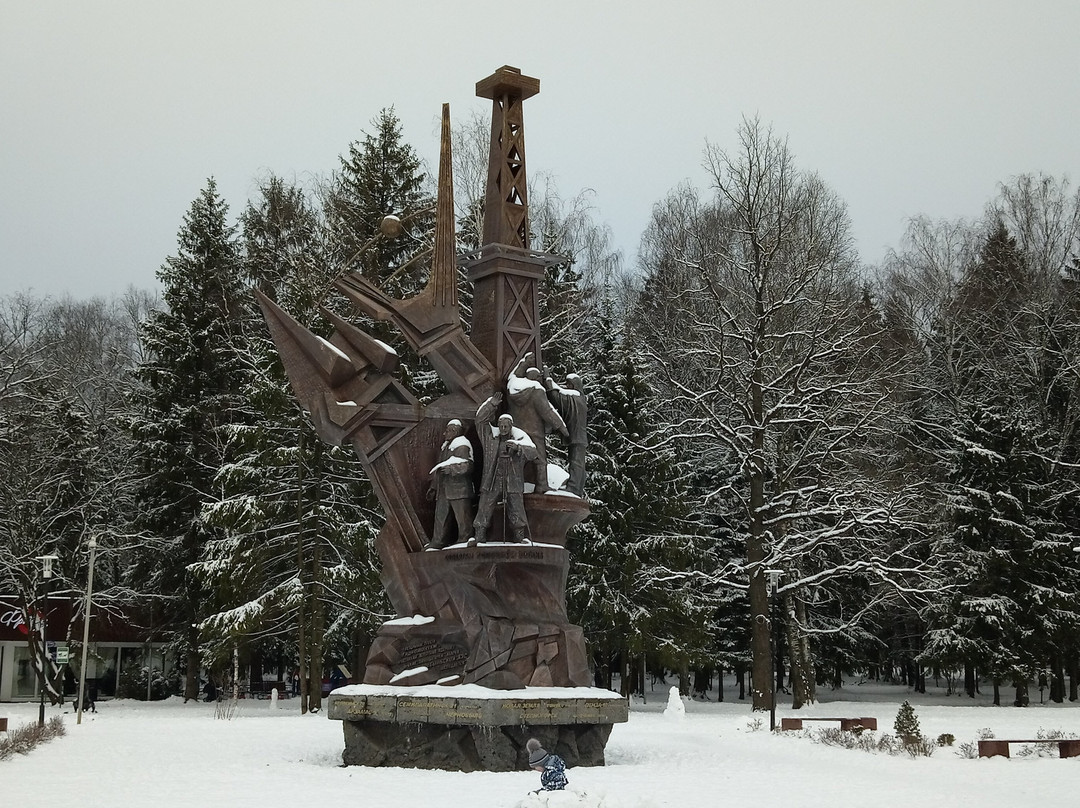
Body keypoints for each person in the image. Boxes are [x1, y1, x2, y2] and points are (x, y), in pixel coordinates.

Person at [472, 393, 537, 544]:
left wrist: (518, 447)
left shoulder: (519, 436)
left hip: (512, 479)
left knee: (516, 507)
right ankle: (479, 533)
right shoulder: (490, 437)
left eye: (506, 426)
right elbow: (480, 421)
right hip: (493, 478)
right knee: (485, 506)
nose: (503, 428)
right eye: (501, 425)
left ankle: (519, 535)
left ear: (511, 426)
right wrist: (491, 405)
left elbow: (533, 452)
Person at [507, 352, 567, 493]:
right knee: (539, 460)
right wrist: (562, 428)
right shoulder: (537, 390)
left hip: (517, 430)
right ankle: (541, 485)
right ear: (537, 378)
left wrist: (524, 363)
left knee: (517, 458)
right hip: (535, 431)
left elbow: (512, 376)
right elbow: (547, 411)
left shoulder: (512, 387)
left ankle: (515, 485)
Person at [426, 420, 474, 548]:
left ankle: (465, 539)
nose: (444, 433)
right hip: (443, 489)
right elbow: (439, 469)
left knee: (463, 517)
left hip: (459, 489)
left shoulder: (463, 445)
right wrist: (433, 488)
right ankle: (438, 540)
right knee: (440, 517)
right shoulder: (445, 447)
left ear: (455, 431)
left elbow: (468, 466)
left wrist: (452, 469)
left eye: (447, 431)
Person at [546, 372, 587, 496]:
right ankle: (577, 486)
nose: (567, 386)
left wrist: (548, 379)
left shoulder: (575, 398)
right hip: (579, 437)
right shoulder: (581, 398)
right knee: (578, 463)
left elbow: (556, 397)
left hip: (577, 437)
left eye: (569, 384)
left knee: (576, 462)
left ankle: (574, 487)